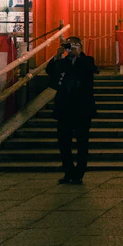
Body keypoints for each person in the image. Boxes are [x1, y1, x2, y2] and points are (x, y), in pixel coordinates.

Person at [45, 35, 97, 183]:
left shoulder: (87, 60)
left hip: (82, 108)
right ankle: (68, 172)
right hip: (64, 108)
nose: (71, 48)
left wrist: (78, 56)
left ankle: (79, 174)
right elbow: (50, 71)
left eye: (74, 45)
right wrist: (57, 55)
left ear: (80, 47)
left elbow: (92, 69)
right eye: (69, 46)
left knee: (82, 142)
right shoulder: (61, 62)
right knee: (63, 143)